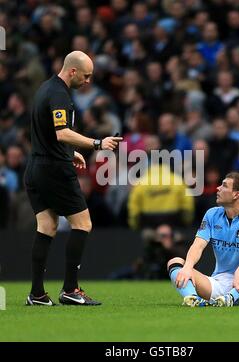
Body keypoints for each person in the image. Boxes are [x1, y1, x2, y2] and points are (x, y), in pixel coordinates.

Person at [24, 51, 122, 306]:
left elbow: (46, 134)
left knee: (46, 226)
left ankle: (36, 294)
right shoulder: (59, 94)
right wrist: (97, 143)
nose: (88, 81)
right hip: (54, 171)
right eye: (86, 76)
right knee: (83, 224)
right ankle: (70, 289)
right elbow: (61, 132)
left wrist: (71, 152)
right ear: (72, 71)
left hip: (35, 167)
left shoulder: (45, 89)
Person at [167, 172, 239, 307]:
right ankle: (193, 299)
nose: (218, 188)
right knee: (175, 262)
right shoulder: (212, 214)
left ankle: (231, 298)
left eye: (224, 186)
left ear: (236, 194)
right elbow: (198, 245)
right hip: (219, 283)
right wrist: (188, 267)